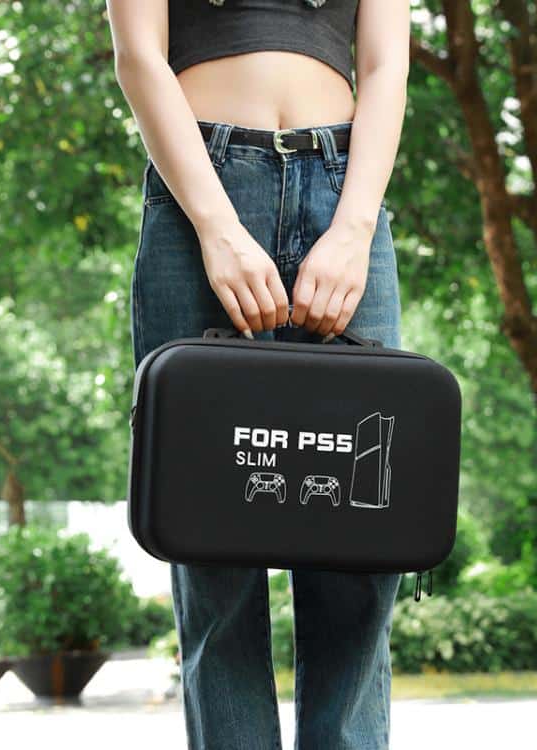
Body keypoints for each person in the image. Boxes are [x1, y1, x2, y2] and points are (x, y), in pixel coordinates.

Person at [107, 1, 410, 747]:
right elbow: (140, 56)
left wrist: (354, 229)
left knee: (364, 540)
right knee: (209, 546)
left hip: (347, 195)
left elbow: (385, 65)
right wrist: (217, 227)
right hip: (198, 194)